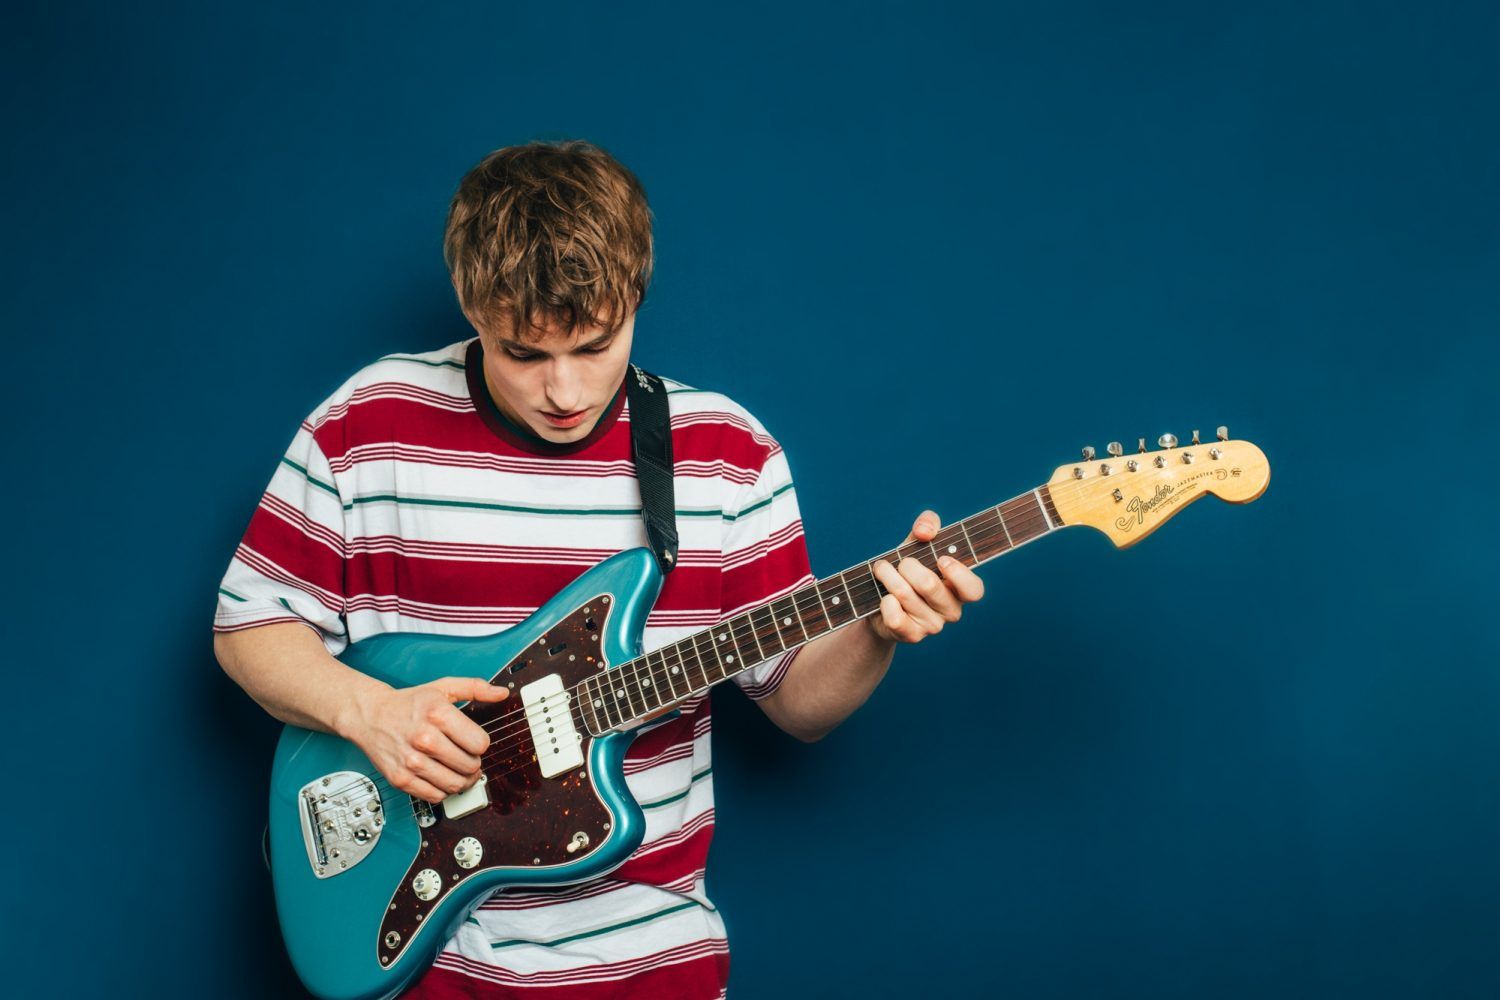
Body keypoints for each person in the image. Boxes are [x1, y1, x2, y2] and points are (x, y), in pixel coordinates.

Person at [214, 139, 984, 998]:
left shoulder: (725, 454)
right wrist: (372, 714)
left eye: (595, 344)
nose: (566, 392)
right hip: (437, 969)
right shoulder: (368, 423)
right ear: (471, 304)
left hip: (654, 966)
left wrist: (877, 627)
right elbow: (250, 627)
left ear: (636, 297)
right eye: (523, 353)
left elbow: (799, 704)